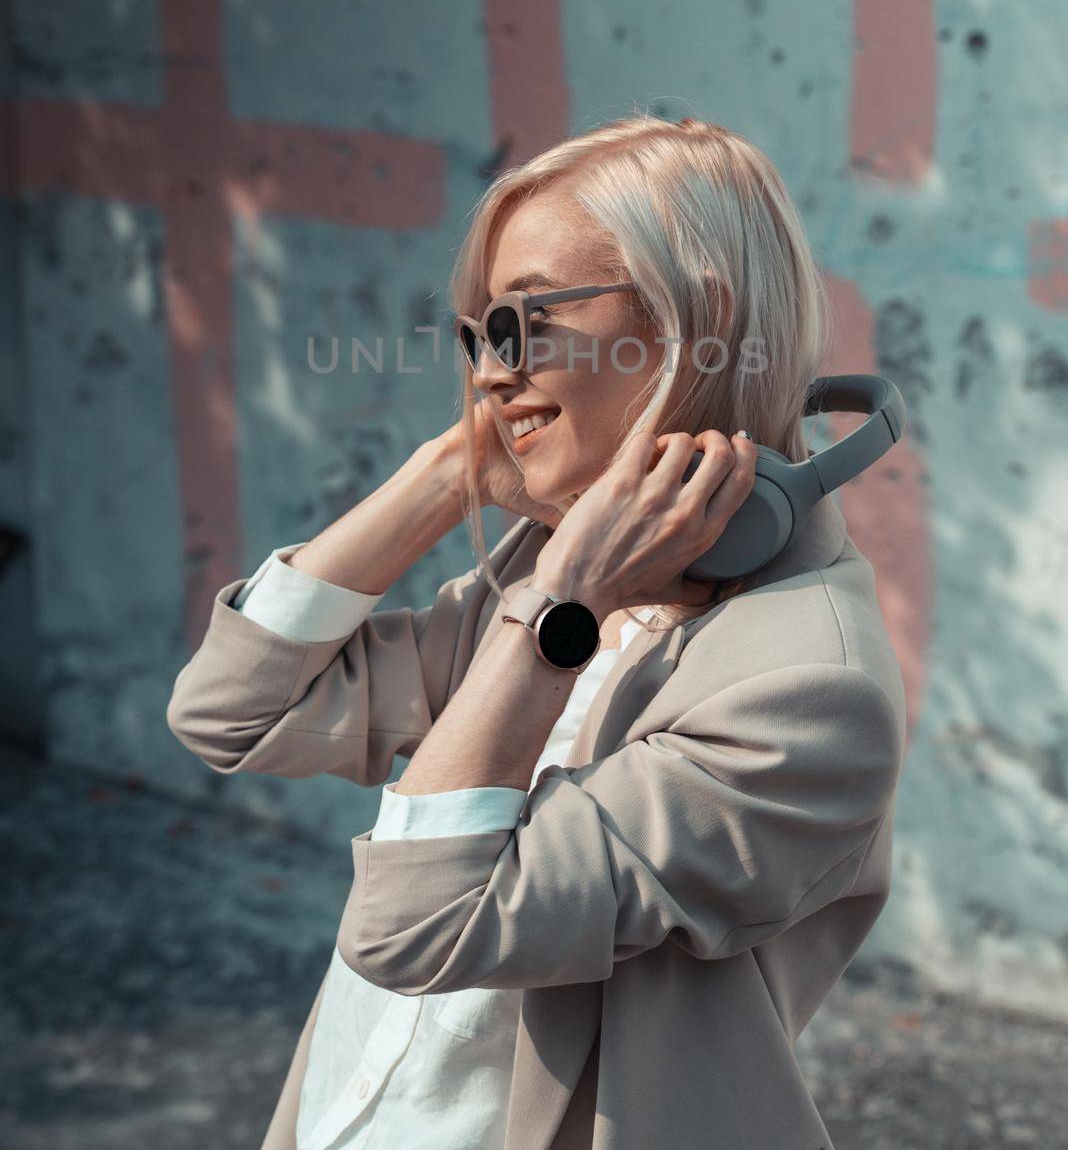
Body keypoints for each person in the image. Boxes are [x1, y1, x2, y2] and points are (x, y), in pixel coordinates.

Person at [167, 111, 906, 1150]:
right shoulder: (550, 579)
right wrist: (447, 471)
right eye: (477, 335)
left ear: (699, 315)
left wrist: (563, 603)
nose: (489, 369)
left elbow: (415, 924)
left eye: (526, 322)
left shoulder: (805, 687)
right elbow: (229, 712)